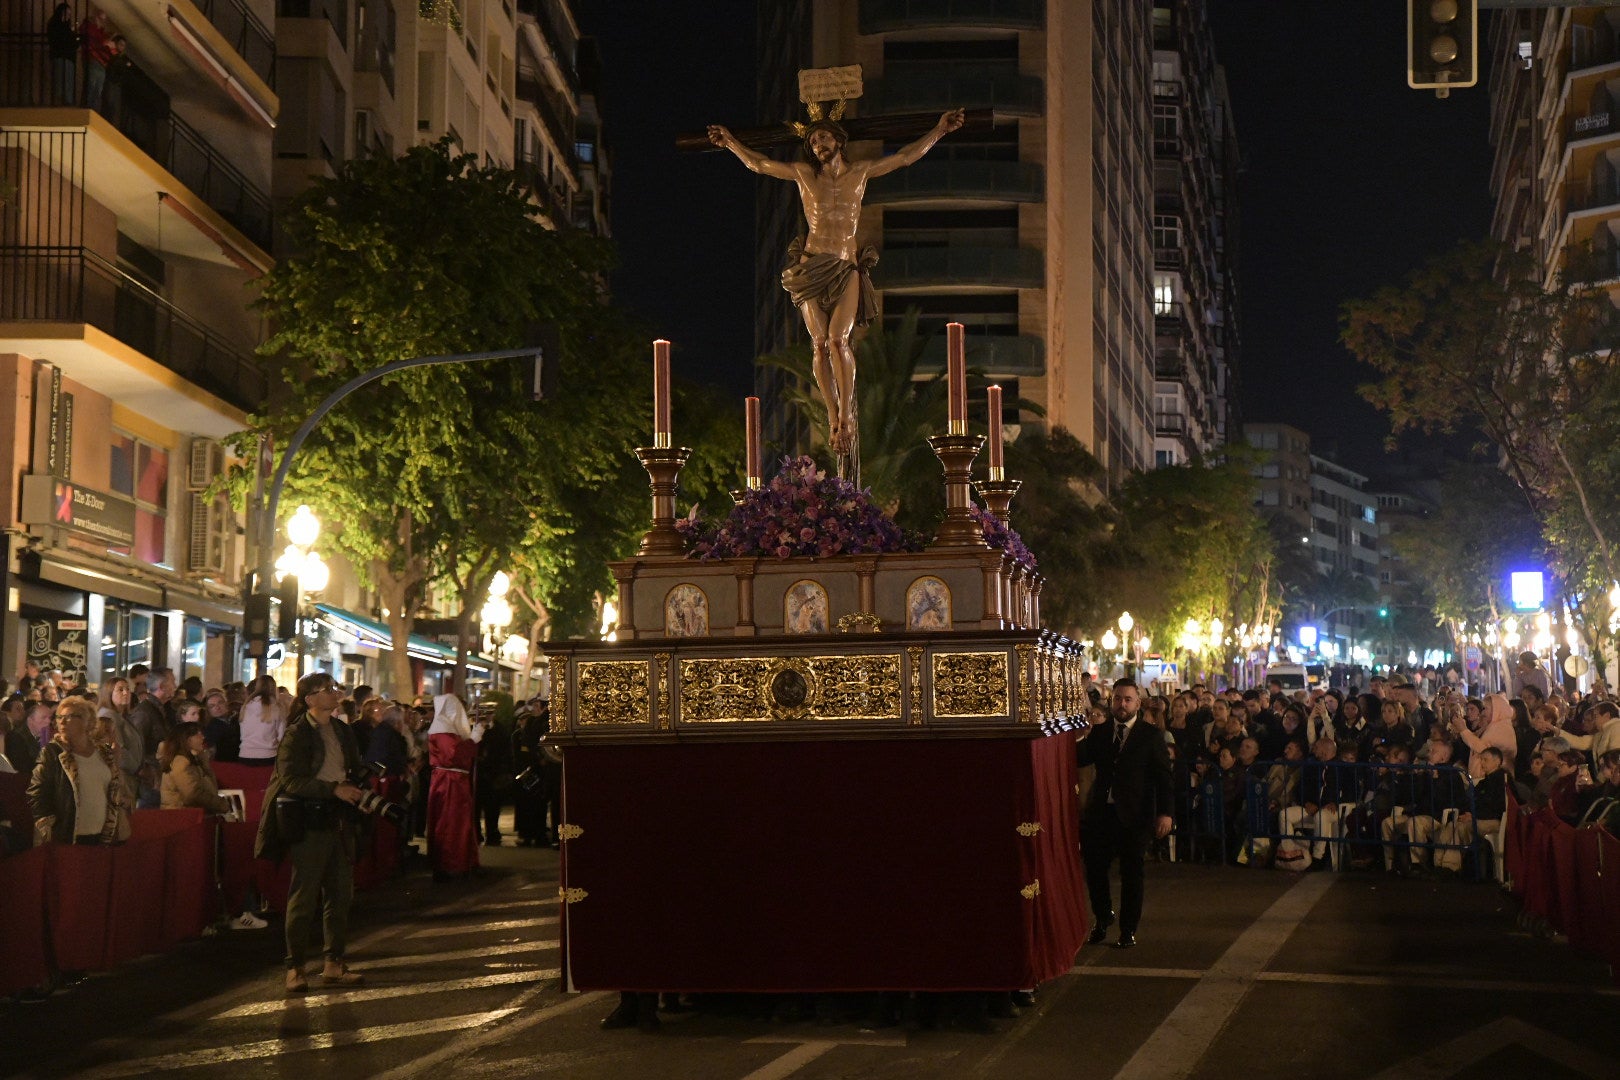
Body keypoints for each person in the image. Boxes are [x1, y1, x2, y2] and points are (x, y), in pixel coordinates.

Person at [706, 106, 964, 468]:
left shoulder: (860, 172)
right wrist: (731, 142)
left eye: (823, 136)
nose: (817, 144)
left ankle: (846, 414)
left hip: (845, 266)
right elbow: (760, 165)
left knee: (840, 340)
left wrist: (939, 130)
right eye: (812, 140)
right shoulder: (802, 174)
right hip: (811, 267)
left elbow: (905, 157)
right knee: (820, 343)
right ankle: (832, 414)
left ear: (839, 140)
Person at [253, 673, 367, 994]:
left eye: (334, 688)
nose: (334, 693)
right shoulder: (297, 734)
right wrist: (334, 790)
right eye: (327, 689)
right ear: (309, 700)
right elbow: (291, 781)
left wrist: (359, 787)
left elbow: (352, 769)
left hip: (340, 820)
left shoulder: (343, 730)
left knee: (340, 893)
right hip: (310, 820)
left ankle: (334, 962)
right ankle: (295, 967)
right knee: (303, 895)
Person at [1075, 679, 1173, 948]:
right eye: (1118, 698)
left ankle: (1128, 929)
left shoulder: (1150, 736)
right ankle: (1103, 916)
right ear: (1111, 701)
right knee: (1095, 868)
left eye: (1128, 699)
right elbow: (1082, 758)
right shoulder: (1101, 731)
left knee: (1132, 873)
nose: (1122, 704)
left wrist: (1165, 813)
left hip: (1135, 815)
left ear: (1137, 704)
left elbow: (1163, 777)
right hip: (1102, 813)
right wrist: (1082, 735)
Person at [27, 697, 131, 846]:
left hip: (103, 836)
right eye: (59, 717)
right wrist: (48, 825)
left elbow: (114, 788)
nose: (62, 722)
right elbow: (36, 791)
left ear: (87, 722)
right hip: (68, 836)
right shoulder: (53, 753)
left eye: (69, 717)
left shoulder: (104, 753)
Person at [426, 693, 484, 881]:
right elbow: (453, 755)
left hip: (453, 780)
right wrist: (473, 740)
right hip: (450, 782)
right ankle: (452, 864)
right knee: (451, 824)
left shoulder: (446, 728)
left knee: (458, 822)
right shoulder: (442, 730)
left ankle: (460, 861)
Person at [129, 666, 176, 808]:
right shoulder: (144, 712)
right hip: (149, 782)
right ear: (162, 686)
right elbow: (135, 747)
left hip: (158, 777)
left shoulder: (163, 709)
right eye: (172, 682)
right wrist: (146, 772)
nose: (175, 686)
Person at [97, 677, 143, 801]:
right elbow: (117, 747)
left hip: (128, 776)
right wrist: (136, 768)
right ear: (109, 693)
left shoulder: (121, 716)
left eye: (128, 689)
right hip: (122, 778)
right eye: (120, 689)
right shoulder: (108, 717)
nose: (126, 693)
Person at [238, 675, 286, 766]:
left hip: (245, 754)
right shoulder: (277, 707)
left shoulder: (246, 706)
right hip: (268, 756)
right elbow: (281, 736)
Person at [78, 8, 114, 111]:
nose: (102, 22)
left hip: (101, 62)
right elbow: (91, 41)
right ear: (95, 17)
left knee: (98, 87)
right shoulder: (88, 27)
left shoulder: (101, 32)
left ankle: (94, 108)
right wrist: (104, 43)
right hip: (92, 58)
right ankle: (88, 106)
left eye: (104, 20)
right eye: (100, 18)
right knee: (91, 84)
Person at [47, 3, 78, 105]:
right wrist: (70, 33)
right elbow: (57, 39)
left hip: (69, 57)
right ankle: (58, 103)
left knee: (68, 82)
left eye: (69, 14)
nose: (68, 16)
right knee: (60, 82)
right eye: (66, 13)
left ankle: (67, 103)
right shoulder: (55, 24)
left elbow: (73, 43)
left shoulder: (66, 26)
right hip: (59, 56)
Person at [202, 689, 240, 762]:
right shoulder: (211, 728)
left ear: (226, 703)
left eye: (220, 703)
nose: (217, 707)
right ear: (208, 711)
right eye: (212, 706)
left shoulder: (237, 718)